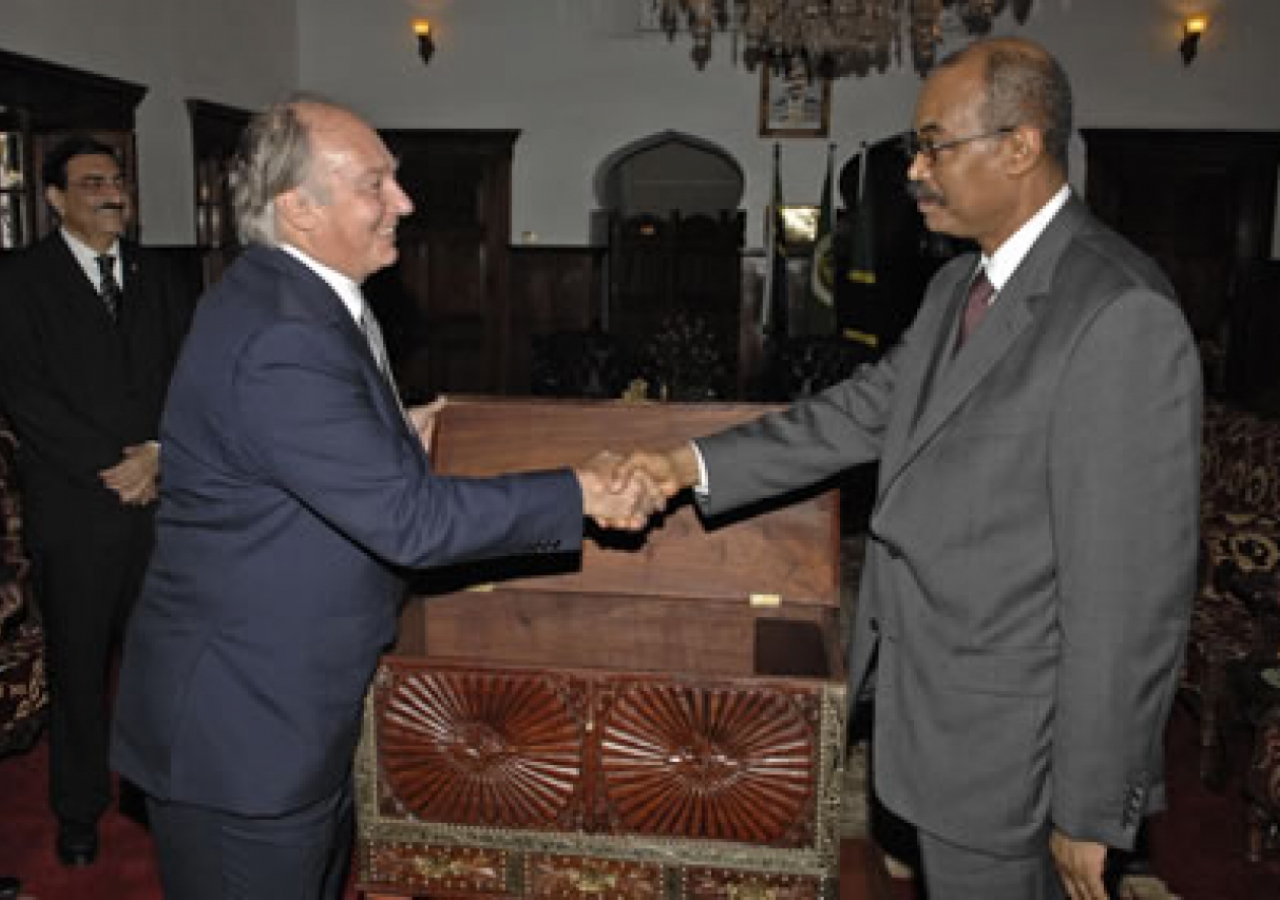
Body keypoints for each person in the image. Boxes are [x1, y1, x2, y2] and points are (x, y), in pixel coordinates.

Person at [622, 37, 1201, 900]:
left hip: (1016, 749)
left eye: (935, 145)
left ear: (1020, 146)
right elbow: (855, 413)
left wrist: (1091, 803)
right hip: (936, 713)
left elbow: (1128, 596)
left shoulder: (1118, 313)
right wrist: (684, 462)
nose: (915, 171)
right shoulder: (955, 288)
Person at [109, 95, 656, 900]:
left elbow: (287, 453)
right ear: (299, 208)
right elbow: (410, 523)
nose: (403, 202)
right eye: (376, 183)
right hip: (242, 741)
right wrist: (578, 491)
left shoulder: (292, 297)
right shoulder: (283, 334)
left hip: (287, 714)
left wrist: (390, 433)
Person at [0, 136, 196, 868]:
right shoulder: (20, 282)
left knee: (163, 666)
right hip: (77, 512)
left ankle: (158, 799)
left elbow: (193, 373)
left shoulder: (165, 275)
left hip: (163, 502)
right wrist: (110, 466)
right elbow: (23, 393)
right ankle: (77, 812)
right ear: (54, 199)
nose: (113, 193)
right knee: (79, 675)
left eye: (117, 180)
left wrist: (157, 454)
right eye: (92, 183)